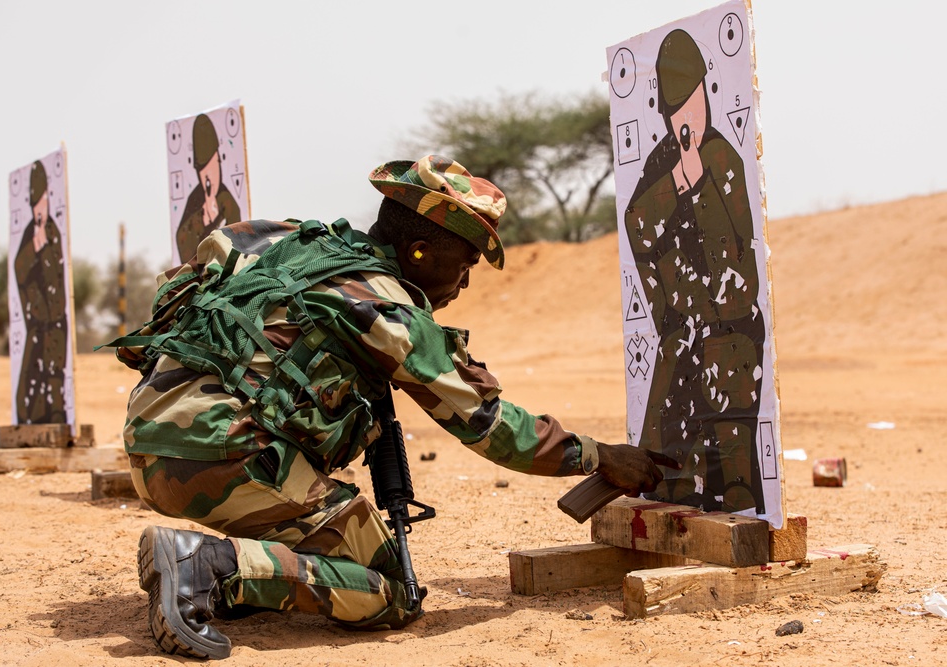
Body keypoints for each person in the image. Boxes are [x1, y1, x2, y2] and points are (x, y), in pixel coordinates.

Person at [114, 155, 677, 660]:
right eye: (464, 265)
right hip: (224, 456)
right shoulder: (391, 312)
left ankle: (234, 570)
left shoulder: (285, 241)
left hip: (149, 437)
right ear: (419, 250)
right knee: (386, 593)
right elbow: (491, 427)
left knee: (325, 531)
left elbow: (176, 295)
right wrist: (600, 456)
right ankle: (210, 567)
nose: (463, 283)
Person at [624, 29, 765, 514]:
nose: (688, 118)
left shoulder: (724, 157)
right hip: (682, 327)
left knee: (732, 459)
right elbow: (637, 224)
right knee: (671, 449)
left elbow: (737, 243)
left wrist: (699, 183)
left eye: (694, 102)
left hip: (729, 330)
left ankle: (737, 503)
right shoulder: (661, 162)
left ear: (707, 93)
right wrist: (677, 180)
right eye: (677, 109)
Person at [13, 160, 68, 424]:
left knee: (56, 370)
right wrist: (35, 247)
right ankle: (31, 415)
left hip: (57, 319)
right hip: (39, 322)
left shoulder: (52, 231)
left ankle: (57, 413)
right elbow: (20, 269)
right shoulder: (31, 234)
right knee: (34, 372)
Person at [175, 113, 242, 262]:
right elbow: (182, 237)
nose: (209, 177)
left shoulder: (225, 198)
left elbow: (238, 239)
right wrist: (202, 220)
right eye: (204, 171)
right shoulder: (195, 200)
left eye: (213, 165)